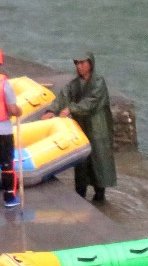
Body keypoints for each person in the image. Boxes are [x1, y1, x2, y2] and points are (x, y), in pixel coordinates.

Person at [41, 51, 117, 201]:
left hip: (98, 128)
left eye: (83, 63)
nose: (79, 67)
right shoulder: (75, 84)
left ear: (90, 64)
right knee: (81, 163)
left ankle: (99, 194)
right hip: (81, 127)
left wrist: (71, 109)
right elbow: (63, 96)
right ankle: (80, 194)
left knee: (98, 162)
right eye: (77, 63)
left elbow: (91, 102)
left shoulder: (98, 82)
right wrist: (51, 110)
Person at [0, 49, 19, 208]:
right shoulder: (5, 84)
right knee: (7, 165)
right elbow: (13, 110)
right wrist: (18, 111)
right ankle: (9, 197)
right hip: (4, 132)